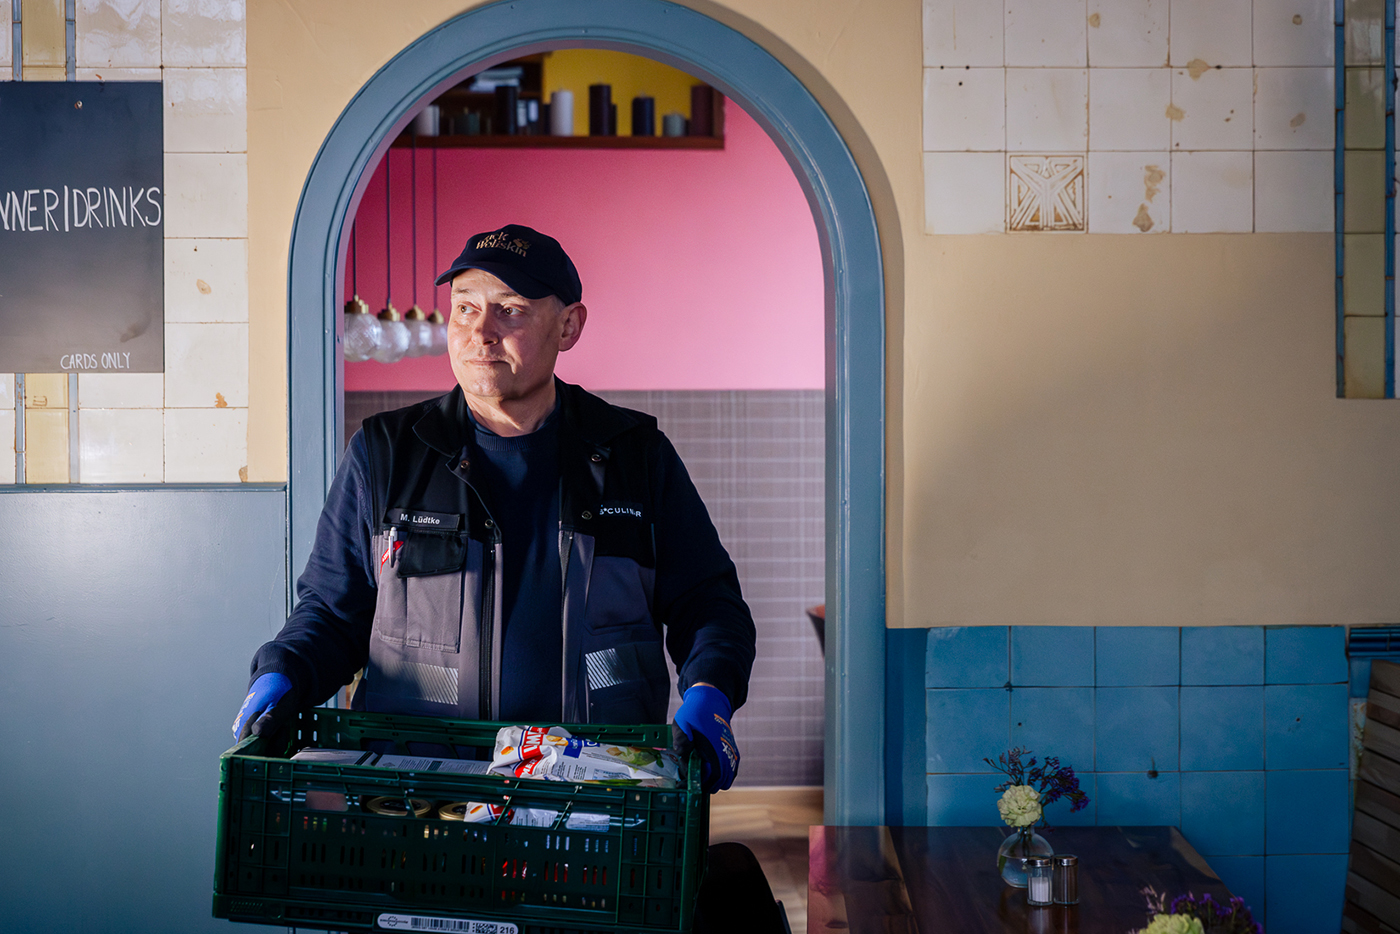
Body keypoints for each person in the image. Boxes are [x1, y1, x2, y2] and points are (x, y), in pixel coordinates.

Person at [232, 223, 756, 796]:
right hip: (420, 796)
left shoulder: (637, 456)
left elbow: (708, 603)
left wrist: (711, 688)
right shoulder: (384, 453)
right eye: (464, 308)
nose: (480, 333)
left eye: (510, 310)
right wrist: (284, 669)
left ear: (569, 326)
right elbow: (333, 614)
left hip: (592, 791)